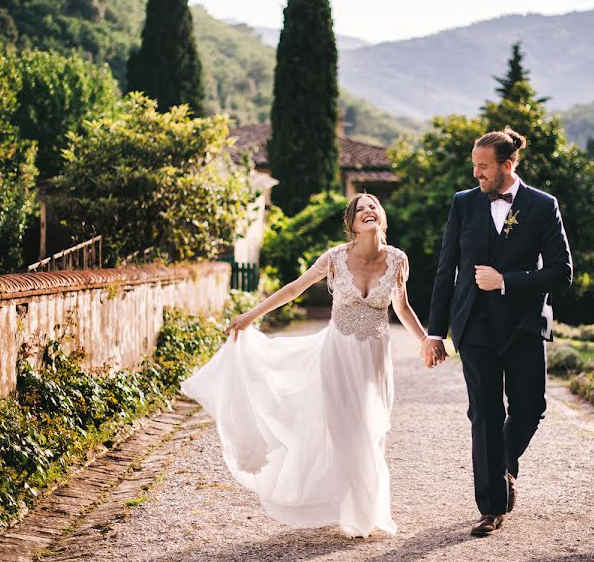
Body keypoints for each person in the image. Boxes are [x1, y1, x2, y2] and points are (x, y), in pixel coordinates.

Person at [181, 193, 429, 539]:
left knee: (372, 430)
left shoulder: (398, 260)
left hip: (374, 358)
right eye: (360, 209)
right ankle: (359, 514)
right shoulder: (335, 258)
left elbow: (402, 307)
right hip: (338, 355)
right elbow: (296, 288)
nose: (368, 211)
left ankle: (369, 507)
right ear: (352, 224)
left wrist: (425, 340)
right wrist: (251, 316)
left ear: (382, 216)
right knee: (347, 431)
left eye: (373, 206)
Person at [422, 128, 573, 537]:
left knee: (530, 408)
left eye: (484, 166)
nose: (476, 173)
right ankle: (491, 507)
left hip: (524, 326)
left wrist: (506, 280)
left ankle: (503, 467)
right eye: (474, 164)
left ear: (508, 166)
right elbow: (446, 267)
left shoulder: (543, 205)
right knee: (485, 414)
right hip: (474, 328)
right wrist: (435, 332)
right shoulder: (463, 204)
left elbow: (562, 272)